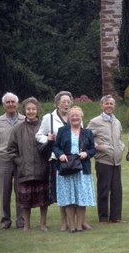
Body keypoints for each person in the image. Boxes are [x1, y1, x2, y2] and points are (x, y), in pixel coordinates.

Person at [36, 91, 92, 231]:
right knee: (65, 194)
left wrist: (86, 153)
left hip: (80, 165)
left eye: (68, 101)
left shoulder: (82, 125)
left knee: (80, 195)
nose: (66, 104)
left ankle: (80, 223)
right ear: (57, 103)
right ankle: (66, 223)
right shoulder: (49, 118)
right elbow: (43, 137)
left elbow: (87, 144)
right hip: (61, 162)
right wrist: (50, 141)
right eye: (63, 101)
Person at [7, 97, 49, 231]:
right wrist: (20, 162)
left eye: (33, 109)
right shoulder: (17, 129)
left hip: (42, 169)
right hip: (25, 171)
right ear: (24, 110)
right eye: (28, 109)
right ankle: (26, 225)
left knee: (43, 200)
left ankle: (43, 224)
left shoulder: (45, 126)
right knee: (25, 201)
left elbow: (51, 146)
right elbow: (11, 149)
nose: (31, 111)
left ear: (37, 110)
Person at [53, 106, 96, 232]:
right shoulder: (62, 131)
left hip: (82, 168)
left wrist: (87, 154)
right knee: (69, 197)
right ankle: (71, 226)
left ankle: (79, 225)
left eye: (77, 115)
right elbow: (55, 146)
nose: (75, 118)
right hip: (66, 167)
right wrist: (60, 154)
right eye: (72, 116)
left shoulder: (87, 132)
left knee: (81, 198)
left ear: (81, 117)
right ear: (68, 118)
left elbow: (93, 149)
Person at [87, 95, 126, 224]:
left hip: (116, 160)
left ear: (114, 106)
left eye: (111, 104)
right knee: (104, 190)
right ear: (102, 105)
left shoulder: (117, 122)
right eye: (106, 103)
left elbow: (119, 138)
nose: (109, 106)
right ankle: (103, 218)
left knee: (117, 190)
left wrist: (121, 146)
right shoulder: (95, 121)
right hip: (103, 160)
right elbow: (86, 138)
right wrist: (97, 147)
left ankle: (116, 217)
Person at [0, 92, 25, 229]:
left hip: (20, 160)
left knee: (20, 191)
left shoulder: (23, 120)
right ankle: (5, 221)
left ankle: (21, 220)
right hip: (4, 160)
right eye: (8, 102)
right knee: (5, 192)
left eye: (13, 102)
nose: (11, 104)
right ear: (4, 105)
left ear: (17, 104)